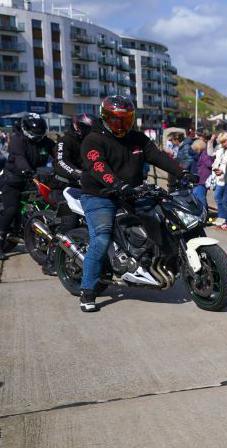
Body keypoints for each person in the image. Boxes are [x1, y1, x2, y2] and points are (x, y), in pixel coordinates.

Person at [77, 96, 185, 312]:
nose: (122, 125)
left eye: (126, 119)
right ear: (105, 117)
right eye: (117, 120)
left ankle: (156, 263)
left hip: (131, 193)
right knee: (101, 237)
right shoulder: (94, 140)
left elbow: (158, 156)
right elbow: (98, 166)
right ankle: (87, 291)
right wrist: (117, 184)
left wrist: (182, 172)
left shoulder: (137, 138)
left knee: (161, 219)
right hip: (100, 195)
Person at [43, 113, 94, 274]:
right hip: (62, 186)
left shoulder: (91, 141)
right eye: (85, 127)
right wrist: (78, 173)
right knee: (69, 221)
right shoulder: (65, 141)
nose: (88, 131)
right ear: (77, 126)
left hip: (83, 186)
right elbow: (61, 163)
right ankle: (51, 259)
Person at [0, 113, 54, 261]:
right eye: (34, 134)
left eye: (40, 133)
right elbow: (19, 157)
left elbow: (58, 154)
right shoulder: (17, 140)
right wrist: (26, 170)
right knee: (11, 209)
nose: (37, 137)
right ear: (24, 129)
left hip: (35, 179)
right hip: (14, 179)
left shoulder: (45, 142)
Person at [211, 132, 227, 226]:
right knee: (218, 197)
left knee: (225, 200)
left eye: (224, 141)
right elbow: (212, 156)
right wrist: (214, 168)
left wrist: (222, 171)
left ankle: (226, 219)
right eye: (221, 142)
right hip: (218, 178)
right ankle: (222, 218)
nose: (223, 144)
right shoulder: (220, 150)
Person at [190, 137, 212, 213]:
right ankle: (201, 212)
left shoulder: (204, 154)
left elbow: (210, 164)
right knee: (197, 196)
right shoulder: (201, 154)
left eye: (196, 149)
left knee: (201, 198)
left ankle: (204, 213)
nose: (195, 151)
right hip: (200, 179)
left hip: (203, 180)